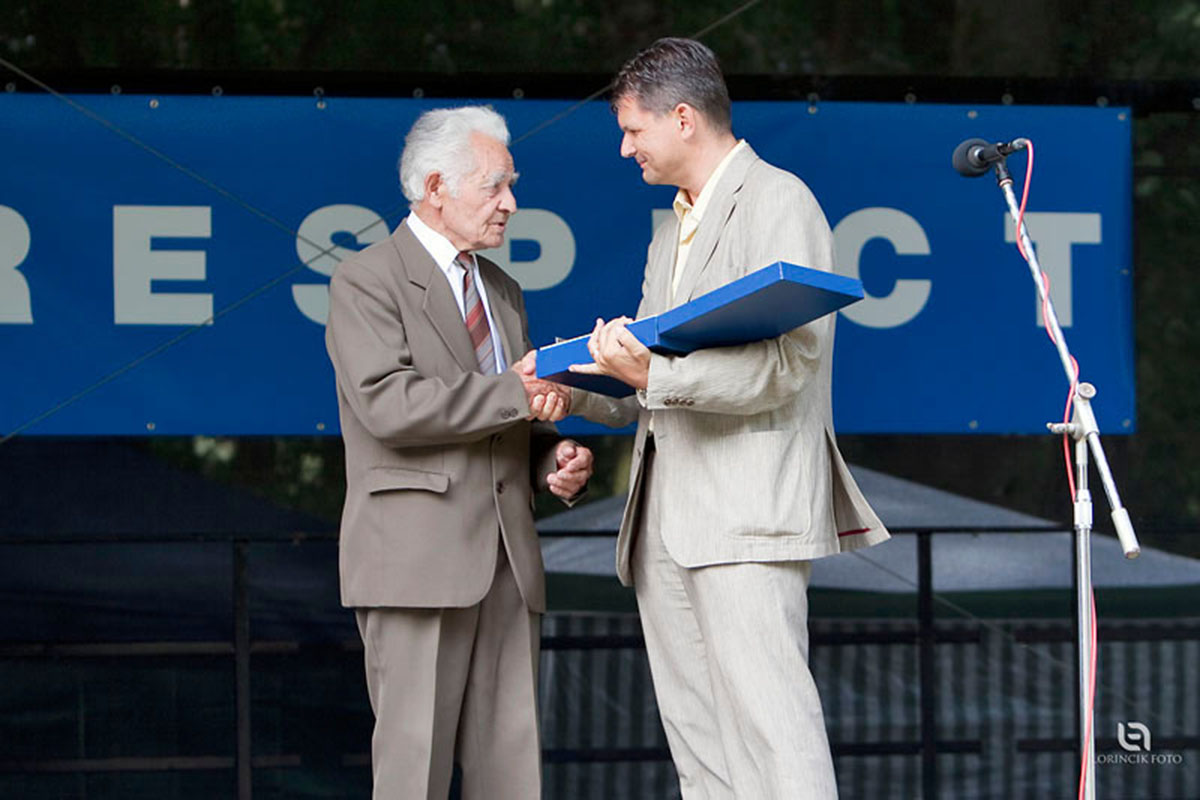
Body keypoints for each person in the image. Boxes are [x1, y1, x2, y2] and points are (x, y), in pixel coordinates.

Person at [568, 38, 890, 799]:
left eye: (633, 130)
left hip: (746, 514)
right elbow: (655, 385)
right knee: (701, 751)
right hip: (664, 523)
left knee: (775, 739)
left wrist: (653, 372)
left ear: (682, 119)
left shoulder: (779, 200)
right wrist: (572, 389)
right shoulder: (669, 228)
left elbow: (790, 365)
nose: (625, 149)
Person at [325, 105, 592, 800]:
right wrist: (515, 391)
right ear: (436, 186)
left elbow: (510, 416)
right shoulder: (366, 279)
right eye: (495, 185)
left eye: (511, 186)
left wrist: (554, 459)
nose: (510, 204)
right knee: (413, 777)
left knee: (512, 777)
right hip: (415, 565)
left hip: (508, 563)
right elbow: (388, 405)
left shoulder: (501, 289)